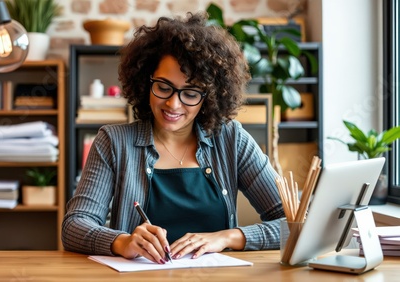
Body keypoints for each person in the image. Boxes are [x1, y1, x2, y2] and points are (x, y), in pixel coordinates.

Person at [62, 11, 284, 264]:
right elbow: (74, 226)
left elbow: (296, 222)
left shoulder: (231, 139)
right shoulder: (114, 142)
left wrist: (228, 237)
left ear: (209, 96)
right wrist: (122, 242)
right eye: (164, 87)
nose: (173, 104)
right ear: (146, 83)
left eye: (190, 93)